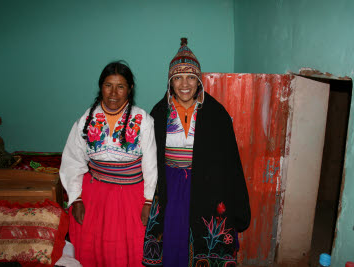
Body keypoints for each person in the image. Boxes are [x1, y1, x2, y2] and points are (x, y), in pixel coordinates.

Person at [142, 38, 251, 267]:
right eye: (178, 77)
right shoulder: (159, 113)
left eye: (191, 77)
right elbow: (149, 160)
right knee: (173, 242)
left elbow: (231, 162)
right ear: (170, 82)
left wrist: (237, 205)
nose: (185, 84)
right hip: (170, 189)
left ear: (199, 80)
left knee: (203, 244)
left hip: (206, 189)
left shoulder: (216, 114)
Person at [60, 61, 157, 267]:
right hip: (94, 196)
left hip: (131, 198)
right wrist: (75, 198)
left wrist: (149, 201)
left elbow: (151, 165)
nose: (113, 93)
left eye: (120, 86)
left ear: (129, 89)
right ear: (100, 86)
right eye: (108, 85)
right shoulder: (88, 118)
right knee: (94, 249)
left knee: (130, 250)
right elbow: (73, 160)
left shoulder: (143, 120)